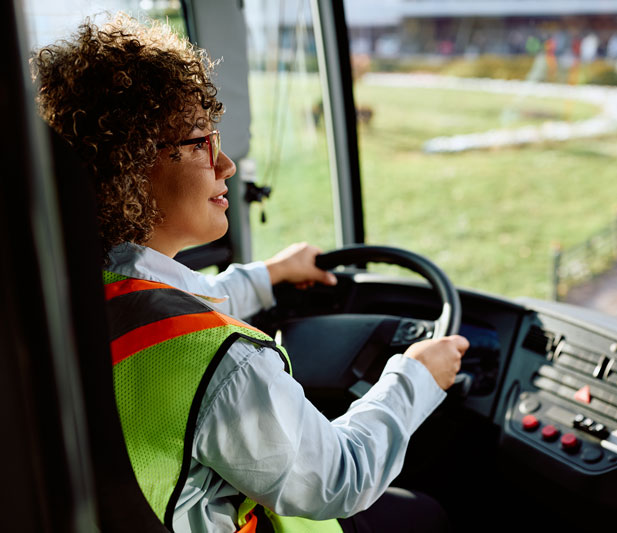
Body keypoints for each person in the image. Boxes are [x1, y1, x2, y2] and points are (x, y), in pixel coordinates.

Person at [32, 14, 468, 533]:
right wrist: (416, 375)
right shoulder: (224, 364)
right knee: (429, 514)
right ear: (130, 165)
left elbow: (180, 307)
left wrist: (270, 273)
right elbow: (342, 476)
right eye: (200, 143)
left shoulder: (78, 294)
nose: (227, 165)